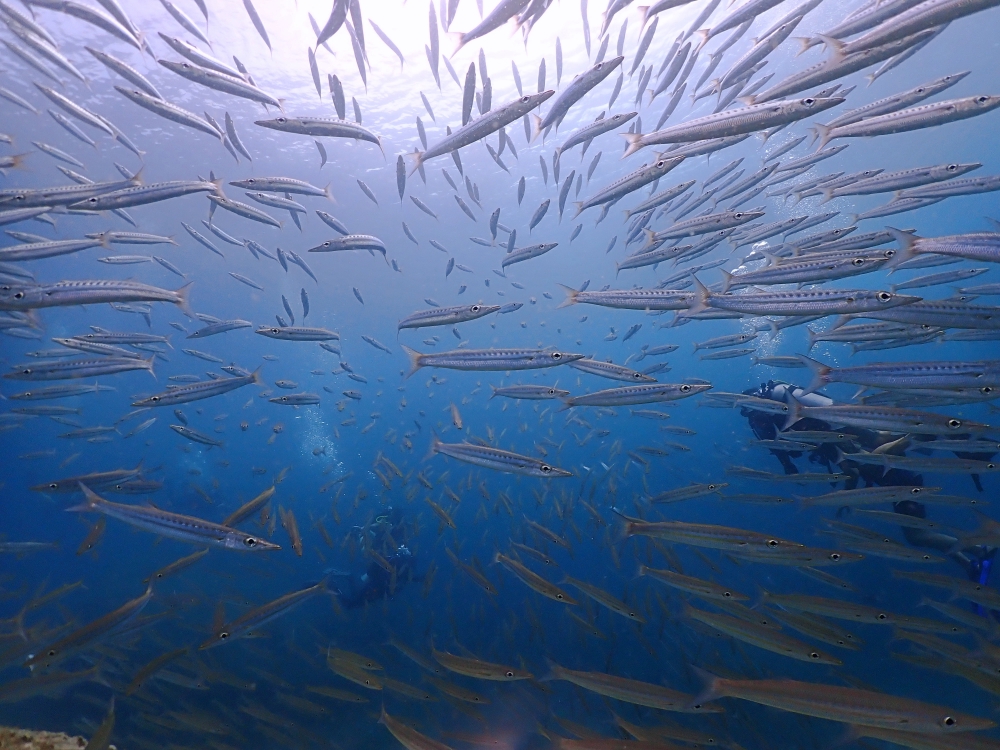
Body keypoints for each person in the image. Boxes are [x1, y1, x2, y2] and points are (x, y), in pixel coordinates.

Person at [741, 380, 995, 591]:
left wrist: (845, 495)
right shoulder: (821, 437)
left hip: (897, 477)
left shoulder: (822, 433)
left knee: (873, 461)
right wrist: (847, 493)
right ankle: (973, 559)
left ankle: (919, 435)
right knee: (916, 534)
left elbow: (855, 465)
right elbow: (852, 465)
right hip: (897, 476)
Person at [332, 506, 421, 609]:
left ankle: (348, 578)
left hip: (379, 586)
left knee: (354, 600)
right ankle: (331, 586)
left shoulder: (403, 565)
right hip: (377, 585)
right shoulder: (399, 561)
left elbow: (410, 578)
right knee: (351, 603)